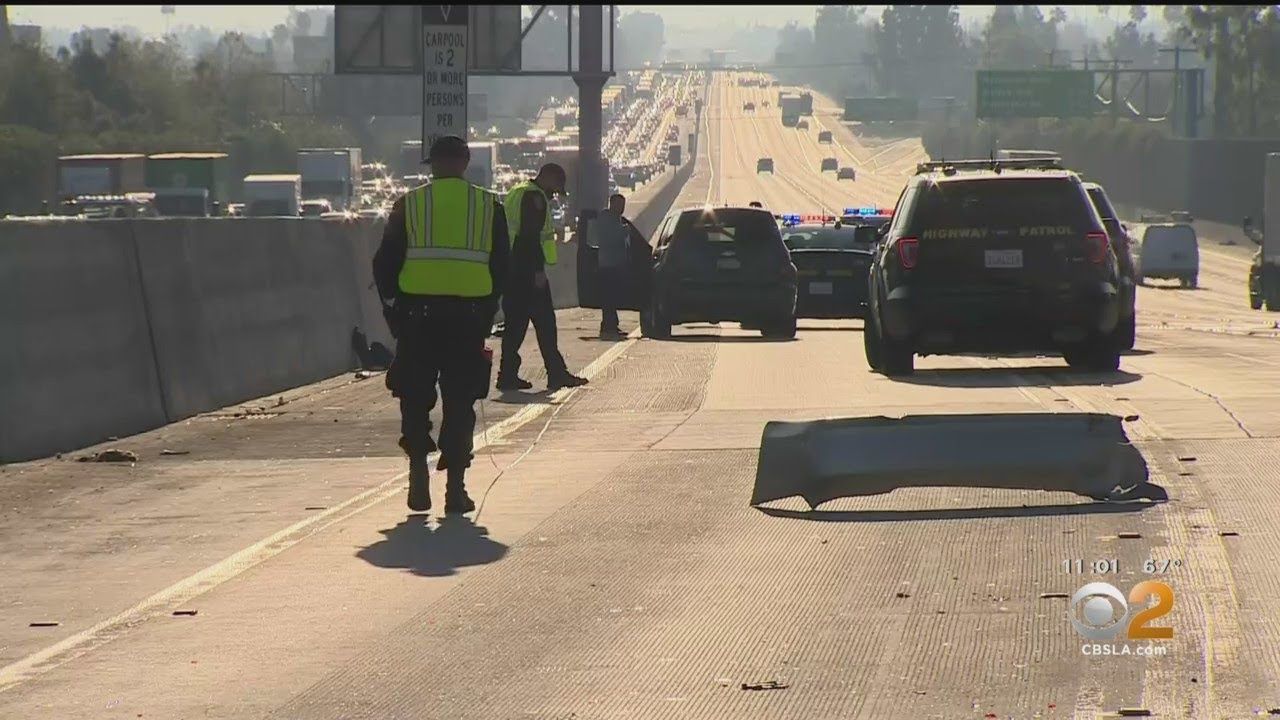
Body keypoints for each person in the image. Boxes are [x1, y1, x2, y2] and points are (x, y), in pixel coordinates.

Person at [372, 135, 510, 514]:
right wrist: (487, 309)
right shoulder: (488, 206)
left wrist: (394, 307)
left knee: (414, 396)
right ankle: (455, 490)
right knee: (460, 401)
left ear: (432, 165)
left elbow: (385, 263)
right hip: (467, 320)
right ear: (465, 163)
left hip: (418, 319)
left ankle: (418, 473)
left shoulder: (410, 204)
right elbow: (502, 266)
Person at [497, 163, 589, 391]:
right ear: (547, 177)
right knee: (546, 324)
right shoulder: (534, 198)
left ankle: (507, 375)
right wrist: (537, 270)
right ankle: (556, 373)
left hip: (512, 269)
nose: (553, 195)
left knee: (515, 326)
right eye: (555, 188)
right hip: (528, 272)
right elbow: (528, 237)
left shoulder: (517, 191)